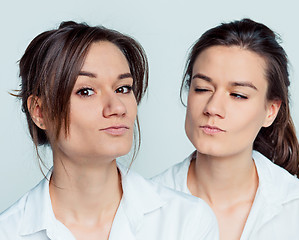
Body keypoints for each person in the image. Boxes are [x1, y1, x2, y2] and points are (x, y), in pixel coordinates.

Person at [0, 21, 219, 240]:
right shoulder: (8, 232)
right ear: (40, 111)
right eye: (86, 91)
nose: (118, 107)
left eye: (122, 88)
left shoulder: (186, 220)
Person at [152, 18, 299, 240]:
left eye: (238, 95)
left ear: (270, 111)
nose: (213, 108)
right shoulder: (140, 207)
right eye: (202, 89)